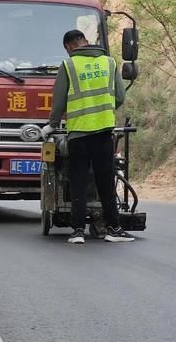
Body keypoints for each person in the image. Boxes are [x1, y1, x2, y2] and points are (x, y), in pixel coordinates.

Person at [41, 29, 134, 243]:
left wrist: (52, 125)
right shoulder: (109, 63)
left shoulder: (69, 65)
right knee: (105, 182)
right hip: (103, 132)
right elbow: (120, 97)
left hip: (78, 134)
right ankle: (114, 228)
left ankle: (77, 231)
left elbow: (59, 101)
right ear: (86, 41)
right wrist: (105, 111)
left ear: (68, 47)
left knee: (78, 181)